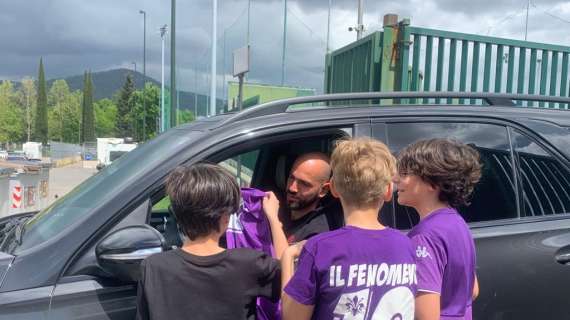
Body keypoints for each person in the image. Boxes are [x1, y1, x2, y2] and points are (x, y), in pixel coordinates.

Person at [281, 138, 417, 320]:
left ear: (334, 189)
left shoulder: (320, 248)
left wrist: (288, 256)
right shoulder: (406, 245)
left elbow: (292, 317)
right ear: (387, 191)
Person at [136, 163, 282, 320]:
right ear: (225, 217)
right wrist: (274, 219)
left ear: (177, 214)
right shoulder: (249, 263)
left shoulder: (153, 267)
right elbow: (290, 277)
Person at [394, 139, 481, 320]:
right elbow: (472, 291)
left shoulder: (423, 237)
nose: (395, 179)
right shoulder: (458, 223)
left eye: (404, 173)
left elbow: (426, 317)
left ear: (433, 183)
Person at [279, 152, 343, 244]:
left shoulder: (317, 235)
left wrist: (274, 222)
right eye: (291, 178)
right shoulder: (276, 206)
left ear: (323, 190)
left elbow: (283, 258)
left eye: (304, 184)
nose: (292, 188)